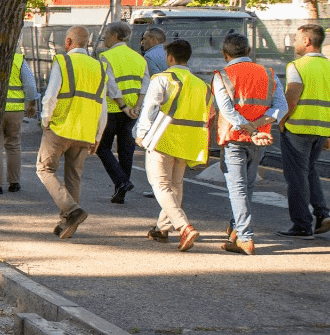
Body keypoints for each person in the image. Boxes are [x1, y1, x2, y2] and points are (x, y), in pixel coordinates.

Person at [38, 26, 121, 239]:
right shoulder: (99, 67)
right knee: (74, 176)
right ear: (87, 44)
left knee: (44, 170)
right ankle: (68, 223)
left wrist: (45, 120)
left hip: (60, 127)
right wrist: (97, 136)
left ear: (68, 42)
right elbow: (102, 106)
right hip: (85, 131)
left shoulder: (63, 62)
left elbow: (50, 96)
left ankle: (72, 211)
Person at [211, 33, 287, 255]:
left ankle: (244, 237)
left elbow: (227, 110)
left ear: (225, 54)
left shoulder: (222, 75)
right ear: (248, 51)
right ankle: (236, 229)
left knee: (237, 188)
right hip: (260, 139)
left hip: (235, 138)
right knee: (248, 186)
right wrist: (258, 126)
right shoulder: (268, 73)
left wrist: (248, 127)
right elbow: (280, 107)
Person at [134, 39, 212, 251]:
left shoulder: (163, 79)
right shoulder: (201, 85)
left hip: (163, 137)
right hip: (189, 140)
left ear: (169, 58)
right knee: (175, 185)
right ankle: (162, 228)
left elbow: (150, 108)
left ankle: (183, 226)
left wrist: (141, 133)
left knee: (160, 185)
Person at [278, 24, 330, 238]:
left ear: (307, 41)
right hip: (321, 128)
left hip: (298, 128)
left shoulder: (297, 66)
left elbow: (292, 98)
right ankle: (322, 214)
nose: (294, 43)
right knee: (308, 171)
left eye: (297, 39)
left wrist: (281, 121)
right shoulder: (328, 66)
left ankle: (301, 225)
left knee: (296, 177)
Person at [97, 22, 146, 203]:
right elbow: (145, 84)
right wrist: (136, 107)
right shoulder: (139, 58)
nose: (105, 38)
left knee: (103, 147)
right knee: (127, 151)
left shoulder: (106, 56)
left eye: (107, 35)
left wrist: (122, 105)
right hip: (133, 111)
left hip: (113, 109)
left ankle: (122, 181)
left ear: (115, 36)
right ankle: (121, 192)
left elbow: (111, 85)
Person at [0, 51, 38, 194]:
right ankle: (14, 183)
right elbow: (30, 86)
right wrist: (31, 103)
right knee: (13, 145)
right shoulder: (18, 59)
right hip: (16, 110)